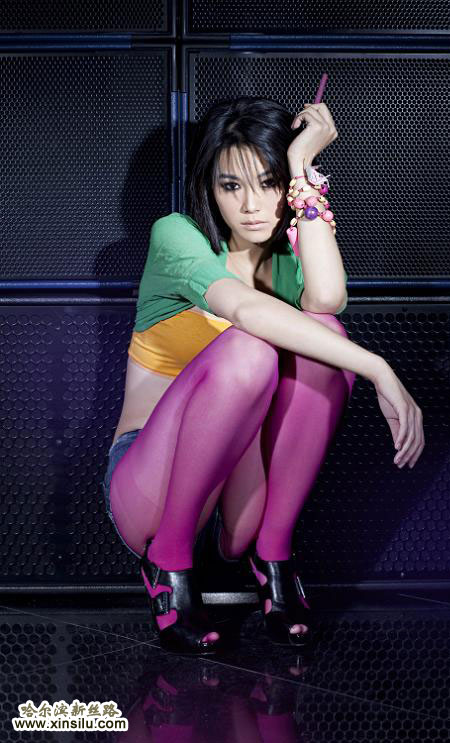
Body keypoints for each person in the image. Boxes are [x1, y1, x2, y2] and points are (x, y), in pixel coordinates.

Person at [101, 96, 424, 656]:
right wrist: (380, 368)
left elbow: (329, 300)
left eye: (269, 183)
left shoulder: (287, 258)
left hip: (240, 480)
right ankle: (167, 563)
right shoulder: (177, 236)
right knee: (250, 348)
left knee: (325, 337)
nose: (250, 206)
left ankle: (271, 551)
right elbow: (245, 311)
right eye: (231, 186)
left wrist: (302, 167)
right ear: (210, 187)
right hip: (151, 484)